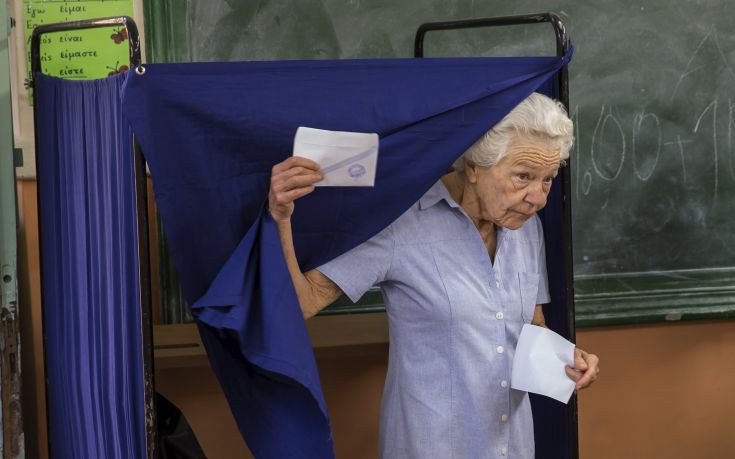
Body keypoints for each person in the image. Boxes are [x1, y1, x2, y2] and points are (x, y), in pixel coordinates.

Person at [268, 92, 600, 458]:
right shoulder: (401, 222)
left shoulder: (526, 226)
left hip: (512, 447)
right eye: (523, 176)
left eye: (548, 179)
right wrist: (281, 220)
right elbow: (303, 300)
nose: (538, 198)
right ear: (473, 167)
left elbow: (531, 324)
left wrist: (567, 360)